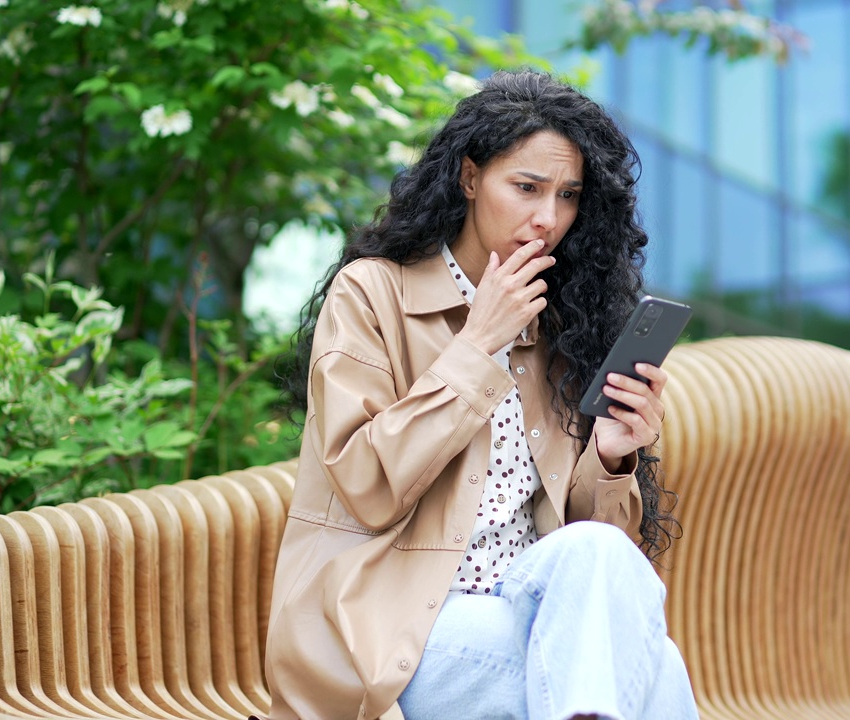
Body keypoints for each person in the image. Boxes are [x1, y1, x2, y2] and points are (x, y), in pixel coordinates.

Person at [263, 70, 699, 720]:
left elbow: (592, 568)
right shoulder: (372, 293)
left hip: (522, 609)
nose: (547, 218)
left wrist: (609, 460)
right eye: (526, 187)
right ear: (470, 179)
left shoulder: (558, 324)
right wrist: (476, 345)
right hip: (393, 629)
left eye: (568, 196)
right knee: (647, 666)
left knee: (604, 576)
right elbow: (366, 485)